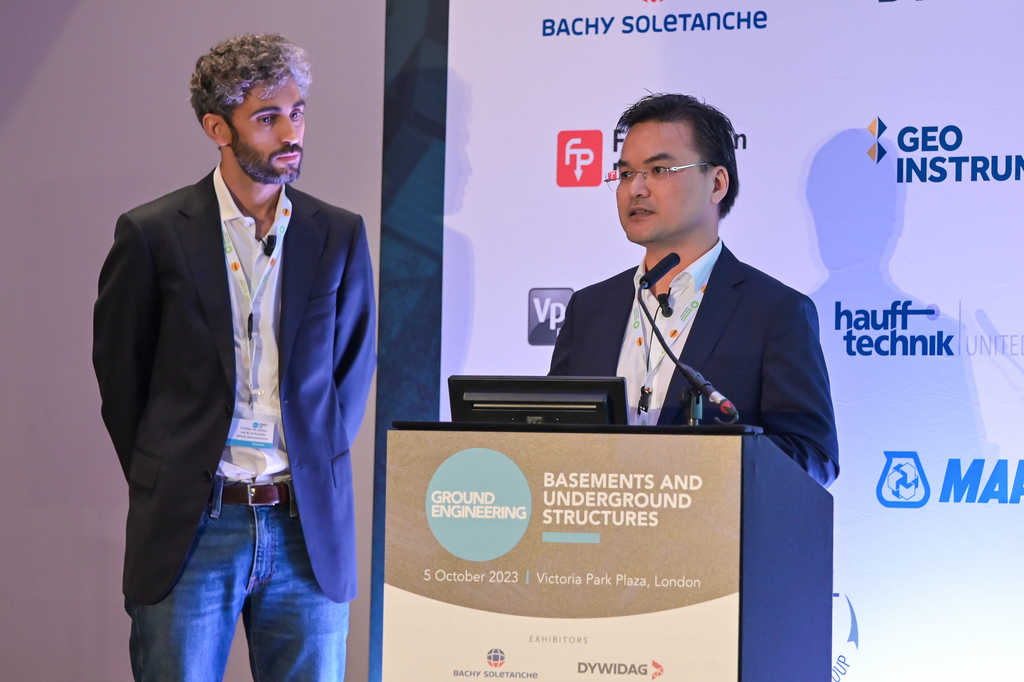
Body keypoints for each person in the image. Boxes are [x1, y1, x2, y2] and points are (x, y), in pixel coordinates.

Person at [92, 34, 376, 681]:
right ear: (218, 128)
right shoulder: (152, 234)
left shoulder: (338, 234)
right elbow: (121, 381)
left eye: (297, 112)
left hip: (305, 525)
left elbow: (350, 374)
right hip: (194, 524)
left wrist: (311, 465)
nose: (291, 132)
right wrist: (173, 473)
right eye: (267, 117)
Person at [550, 94, 838, 487]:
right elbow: (550, 435)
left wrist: (702, 465)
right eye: (625, 173)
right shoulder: (589, 309)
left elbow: (813, 457)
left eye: (659, 169)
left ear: (716, 183)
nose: (636, 188)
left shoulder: (774, 312)